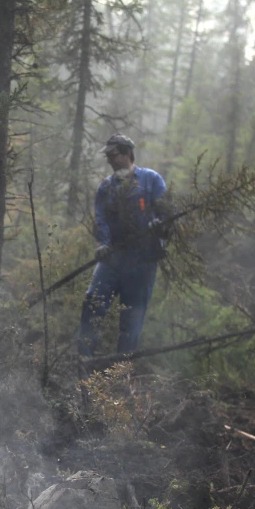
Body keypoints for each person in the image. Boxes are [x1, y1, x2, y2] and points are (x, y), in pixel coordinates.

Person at [78, 134, 170, 362]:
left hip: (142, 263)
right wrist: (103, 244)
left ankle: (119, 373)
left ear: (128, 153)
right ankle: (84, 361)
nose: (110, 160)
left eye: (114, 155)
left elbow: (167, 214)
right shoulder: (106, 188)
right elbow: (100, 221)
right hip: (112, 260)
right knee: (93, 303)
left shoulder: (151, 180)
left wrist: (160, 226)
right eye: (108, 156)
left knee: (132, 319)